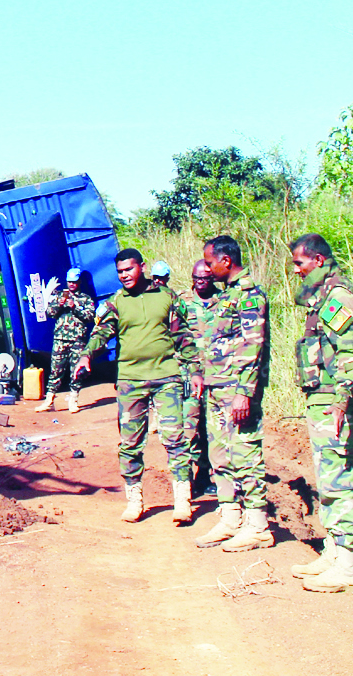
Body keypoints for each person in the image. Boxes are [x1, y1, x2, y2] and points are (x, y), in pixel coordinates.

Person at [83, 247, 205, 525]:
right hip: (130, 381)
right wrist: (87, 353)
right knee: (130, 443)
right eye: (120, 272)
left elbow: (182, 335)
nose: (125, 275)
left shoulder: (166, 296)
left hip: (167, 378)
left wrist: (194, 369)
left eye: (129, 269)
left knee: (176, 439)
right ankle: (135, 499)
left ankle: (183, 500)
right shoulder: (117, 301)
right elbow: (103, 331)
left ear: (142, 267)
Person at [288, 233, 353, 593]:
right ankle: (334, 550)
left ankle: (348, 563)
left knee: (339, 475)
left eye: (300, 263)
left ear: (318, 261)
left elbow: (349, 352)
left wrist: (340, 401)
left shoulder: (337, 296)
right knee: (328, 475)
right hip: (322, 397)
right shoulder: (320, 296)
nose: (296, 270)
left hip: (334, 400)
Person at [193, 234, 275, 551]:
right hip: (218, 389)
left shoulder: (250, 295)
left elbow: (252, 346)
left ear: (226, 261)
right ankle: (231, 517)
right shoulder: (228, 295)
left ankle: (257, 526)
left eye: (211, 263)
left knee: (245, 454)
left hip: (237, 392)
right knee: (220, 455)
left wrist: (244, 392)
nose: (209, 269)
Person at [181, 259, 222, 497]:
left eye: (206, 278)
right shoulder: (183, 301)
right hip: (189, 374)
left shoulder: (223, 301)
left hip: (216, 374)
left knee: (212, 427)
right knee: (189, 424)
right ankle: (184, 480)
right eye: (197, 278)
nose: (201, 283)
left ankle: (205, 474)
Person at [35, 269, 96, 413]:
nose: (72, 285)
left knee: (76, 371)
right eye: (70, 282)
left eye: (74, 282)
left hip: (77, 340)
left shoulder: (85, 299)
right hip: (60, 339)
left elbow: (89, 317)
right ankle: (49, 400)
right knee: (56, 370)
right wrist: (59, 304)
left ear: (79, 282)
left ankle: (74, 399)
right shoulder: (59, 295)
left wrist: (75, 307)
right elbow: (49, 312)